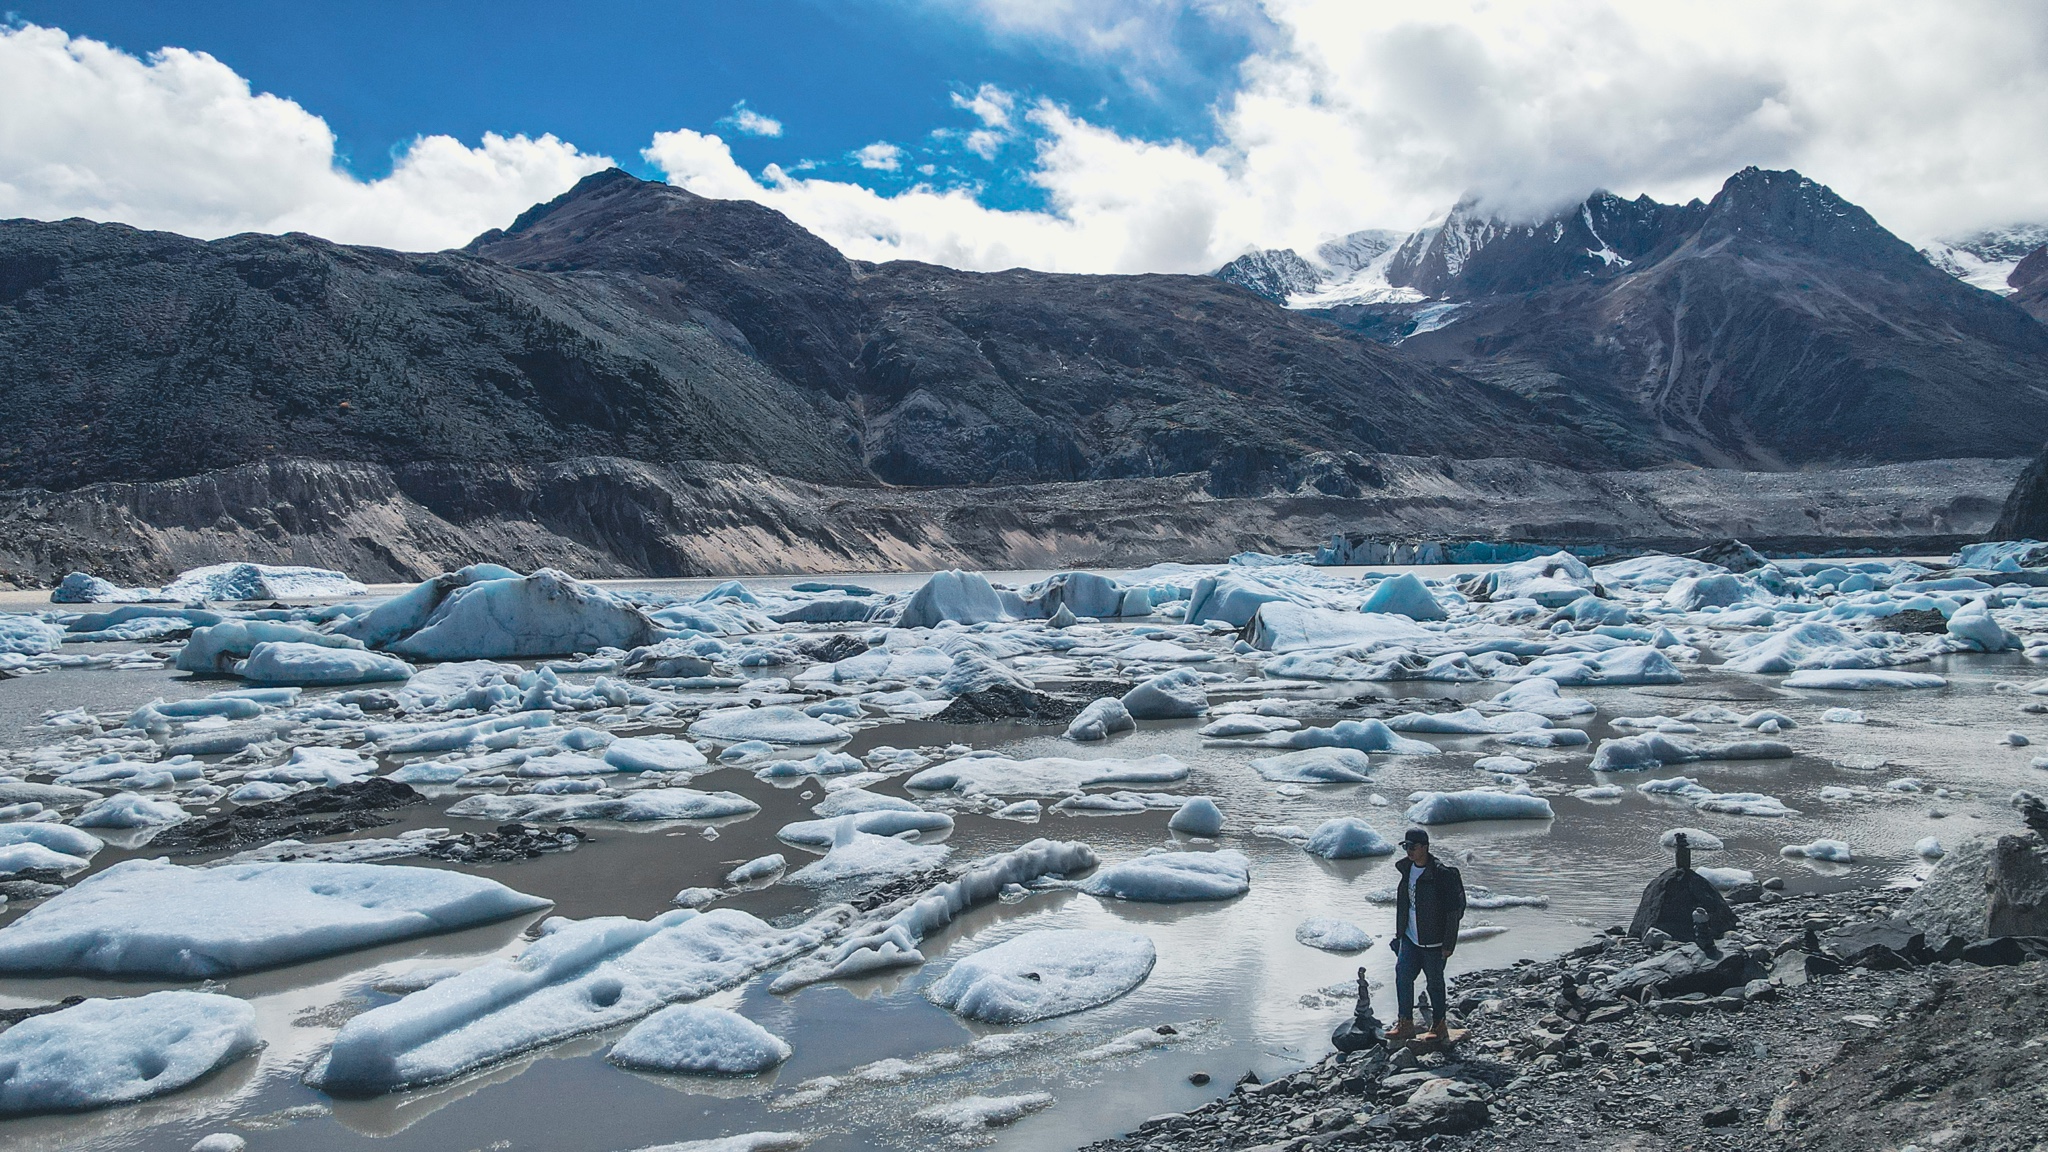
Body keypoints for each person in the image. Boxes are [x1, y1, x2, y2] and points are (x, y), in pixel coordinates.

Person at [1386, 827, 1466, 1041]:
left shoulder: (1441, 874)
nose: (1408, 851)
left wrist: (1448, 944)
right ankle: (1405, 1024)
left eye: (1412, 847)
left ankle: (1439, 1025)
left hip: (1434, 941)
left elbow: (1453, 912)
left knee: (1435, 983)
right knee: (1403, 977)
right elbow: (1405, 906)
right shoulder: (1406, 870)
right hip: (1410, 938)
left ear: (1425, 847)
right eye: (1405, 846)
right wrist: (1399, 935)